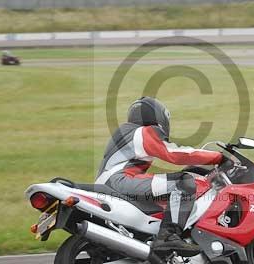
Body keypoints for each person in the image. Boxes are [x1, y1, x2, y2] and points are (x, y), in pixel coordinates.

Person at [95, 97, 222, 255]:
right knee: (184, 182)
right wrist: (217, 156)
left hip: (109, 183)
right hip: (119, 180)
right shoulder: (143, 132)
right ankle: (168, 236)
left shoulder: (127, 132)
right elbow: (174, 154)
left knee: (165, 197)